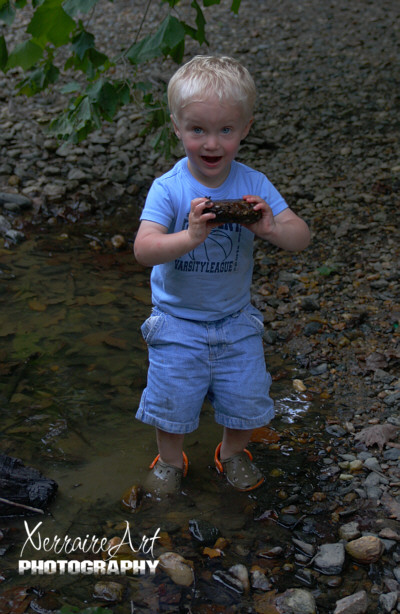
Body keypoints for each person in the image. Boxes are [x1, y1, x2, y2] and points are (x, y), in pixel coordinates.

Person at [134, 55, 310, 496]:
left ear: (245, 128)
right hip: (176, 322)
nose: (211, 143)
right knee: (171, 403)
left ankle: (231, 453)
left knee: (247, 399)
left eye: (225, 130)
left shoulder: (254, 183)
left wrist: (270, 228)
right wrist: (189, 237)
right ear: (176, 126)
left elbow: (301, 236)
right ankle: (171, 460)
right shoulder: (169, 188)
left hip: (235, 320)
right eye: (198, 130)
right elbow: (144, 249)